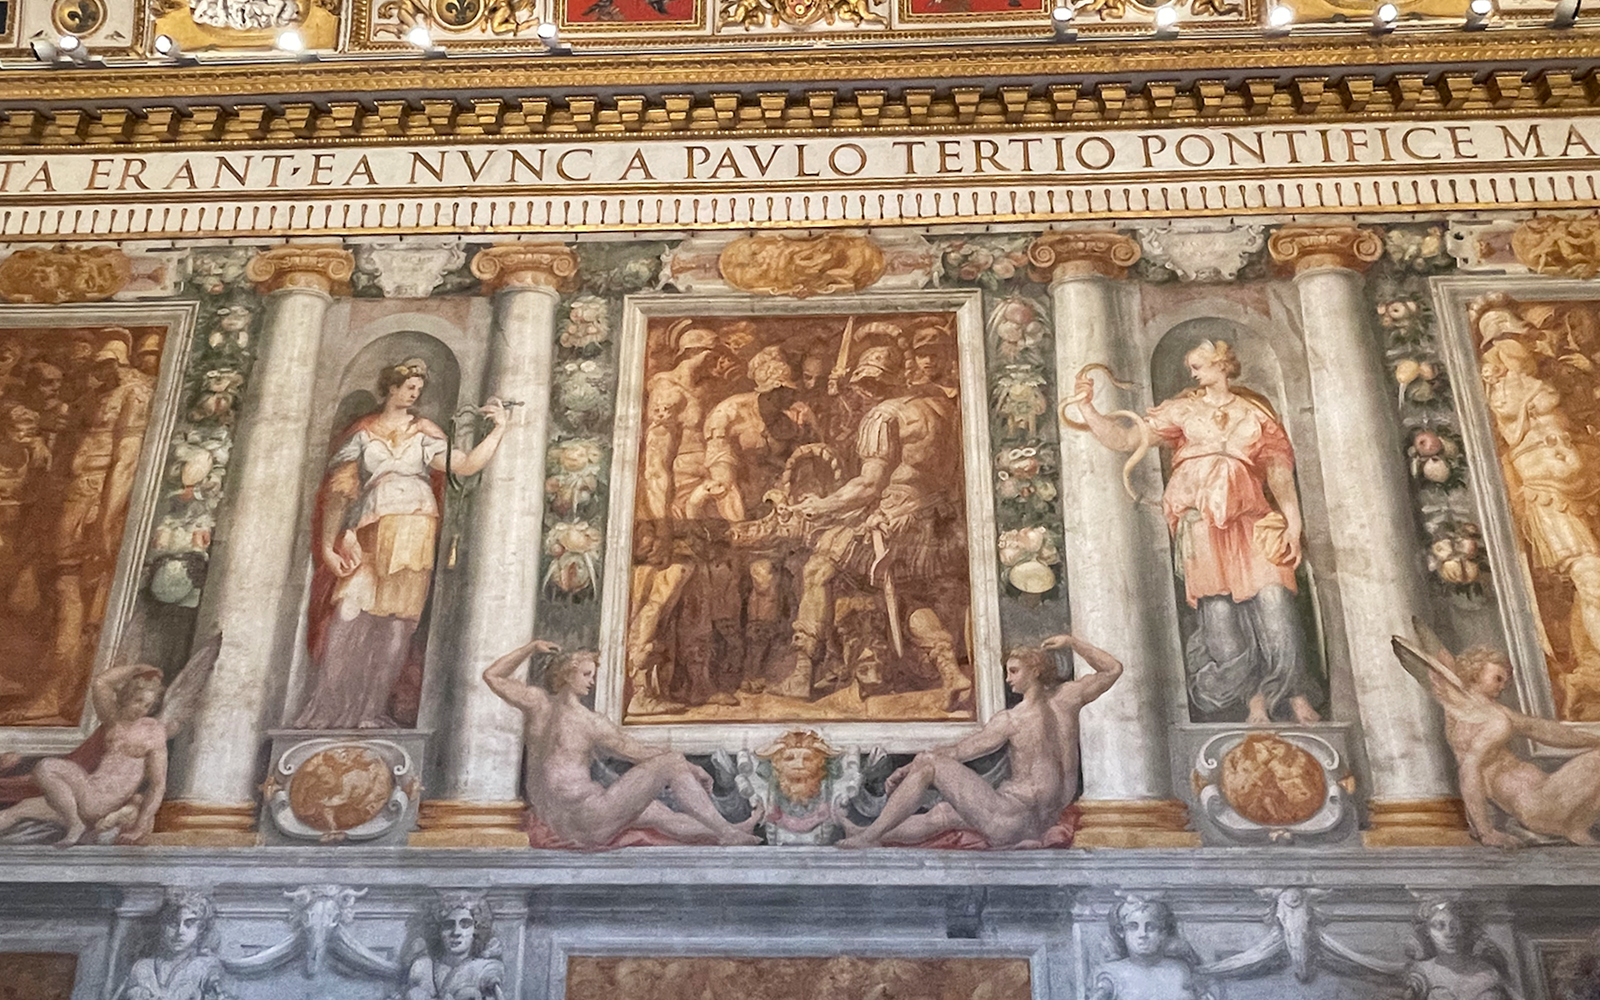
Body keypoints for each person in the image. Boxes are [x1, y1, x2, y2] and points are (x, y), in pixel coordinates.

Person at [1073, 339, 1321, 724]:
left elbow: (1278, 473)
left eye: (1198, 365)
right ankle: (1253, 700)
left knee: (1276, 603)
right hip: (1200, 523)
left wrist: (1294, 522)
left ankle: (1294, 693)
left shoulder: (1255, 413)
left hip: (1252, 520)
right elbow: (1125, 439)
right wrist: (1088, 407)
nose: (1191, 372)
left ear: (1221, 365)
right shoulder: (1183, 410)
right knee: (1220, 615)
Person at [297, 358, 508, 729]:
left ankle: (371, 711)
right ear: (391, 388)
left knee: (397, 624)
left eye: (418, 389)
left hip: (414, 527)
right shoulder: (363, 433)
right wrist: (329, 545)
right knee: (348, 613)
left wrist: (498, 430)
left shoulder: (423, 430)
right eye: (409, 387)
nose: (414, 394)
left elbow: (465, 465)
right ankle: (328, 708)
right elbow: (341, 490)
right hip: (369, 525)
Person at [786, 333, 971, 709]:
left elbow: (869, 485)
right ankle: (950, 671)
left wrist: (822, 506)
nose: (864, 393)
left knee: (819, 569)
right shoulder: (942, 409)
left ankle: (802, 672)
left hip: (893, 522)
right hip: (935, 523)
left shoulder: (884, 415)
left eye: (868, 385)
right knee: (908, 596)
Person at [836, 632, 1119, 848]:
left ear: (1035, 670)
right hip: (1038, 822)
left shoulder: (1012, 720)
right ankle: (866, 833)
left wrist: (908, 768)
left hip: (1009, 822)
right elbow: (1111, 669)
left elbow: (958, 752)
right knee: (943, 813)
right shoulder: (1068, 699)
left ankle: (868, 837)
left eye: (1014, 671)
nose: (1008, 679)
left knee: (930, 764)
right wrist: (1072, 643)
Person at [482, 637, 762, 846]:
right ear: (567, 673)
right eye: (587, 674)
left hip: (560, 820)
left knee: (658, 814)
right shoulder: (590, 722)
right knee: (671, 762)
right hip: (588, 817)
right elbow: (640, 753)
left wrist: (530, 648)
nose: (592, 681)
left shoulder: (536, 703)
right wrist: (690, 766)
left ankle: (732, 830)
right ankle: (726, 833)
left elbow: (493, 675)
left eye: (593, 675)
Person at [1479, 335, 1600, 711]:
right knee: (1592, 579)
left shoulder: (1550, 380)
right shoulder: (1504, 391)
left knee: (1589, 587)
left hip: (1587, 486)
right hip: (1546, 495)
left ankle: (1589, 669)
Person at [1395, 631, 1600, 847]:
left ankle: (1575, 827)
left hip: (1547, 798)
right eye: (1498, 678)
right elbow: (1468, 771)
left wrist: (1594, 739)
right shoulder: (1486, 720)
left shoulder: (1493, 712)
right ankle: (1568, 827)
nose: (1502, 686)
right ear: (1476, 673)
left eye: (1505, 681)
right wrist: (1485, 832)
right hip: (1536, 805)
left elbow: (1544, 730)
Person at [625, 322, 723, 716]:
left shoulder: (699, 392)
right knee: (666, 587)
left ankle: (696, 682)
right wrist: (663, 521)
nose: (717, 363)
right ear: (694, 352)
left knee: (699, 592)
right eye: (713, 354)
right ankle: (639, 686)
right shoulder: (668, 390)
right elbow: (656, 463)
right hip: (674, 503)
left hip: (698, 502)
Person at [0, 660, 178, 845]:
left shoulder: (153, 732)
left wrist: (139, 828)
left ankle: (75, 824)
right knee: (17, 810)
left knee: (46, 767)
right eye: (138, 701)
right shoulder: (113, 722)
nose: (141, 709)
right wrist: (136, 669)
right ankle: (75, 821)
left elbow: (157, 785)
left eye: (147, 705)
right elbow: (101, 683)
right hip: (85, 794)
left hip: (102, 803)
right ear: (126, 697)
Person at [114, 890, 230, 1000]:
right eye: (173, 924)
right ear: (163, 926)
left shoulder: (206, 967)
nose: (180, 931)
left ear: (200, 928)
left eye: (189, 924)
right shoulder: (142, 967)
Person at [1090, 896, 1211, 1000]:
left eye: (1151, 927)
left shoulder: (1180, 970)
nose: (1142, 934)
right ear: (1121, 931)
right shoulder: (1111, 973)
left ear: (1163, 932)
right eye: (1133, 927)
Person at [1402, 898, 1512, 1000]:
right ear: (1427, 932)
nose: (1449, 933)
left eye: (1454, 926)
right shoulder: (1422, 972)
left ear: (1465, 928)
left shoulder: (1488, 972)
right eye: (1439, 926)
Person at [400, 895, 505, 1000]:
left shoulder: (484, 970)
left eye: (465, 924)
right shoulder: (425, 968)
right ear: (437, 930)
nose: (456, 932)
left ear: (477, 929)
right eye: (448, 925)